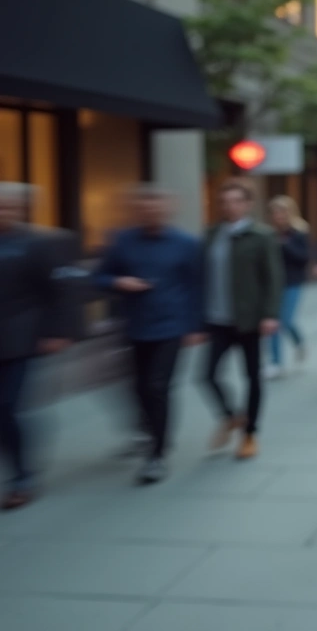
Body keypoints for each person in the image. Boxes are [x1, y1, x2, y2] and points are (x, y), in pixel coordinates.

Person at [93, 185, 205, 484]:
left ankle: (157, 453)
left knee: (157, 387)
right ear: (138, 210)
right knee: (139, 388)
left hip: (171, 326)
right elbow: (99, 276)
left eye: (157, 206)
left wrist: (196, 326)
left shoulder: (186, 243)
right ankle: (150, 431)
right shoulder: (122, 241)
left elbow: (197, 286)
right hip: (135, 326)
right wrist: (119, 282)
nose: (151, 211)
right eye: (145, 206)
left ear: (169, 209)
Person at [0, 182, 77, 509]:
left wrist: (57, 331)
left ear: (20, 210)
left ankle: (23, 474)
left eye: (9, 207)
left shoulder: (36, 245)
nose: (4, 213)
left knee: (7, 407)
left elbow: (59, 292)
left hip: (20, 340)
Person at [201, 180, 283, 460]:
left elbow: (273, 278)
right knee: (207, 375)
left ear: (247, 204)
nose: (230, 206)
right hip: (217, 318)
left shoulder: (261, 236)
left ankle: (250, 435)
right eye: (225, 201)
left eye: (236, 201)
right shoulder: (211, 235)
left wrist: (270, 314)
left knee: (252, 377)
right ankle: (231, 416)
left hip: (249, 319)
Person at [265, 195, 311, 379]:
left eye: (282, 211)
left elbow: (304, 258)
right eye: (275, 212)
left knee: (286, 321)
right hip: (272, 284)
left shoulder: (299, 233)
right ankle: (276, 362)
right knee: (273, 322)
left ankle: (299, 342)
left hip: (292, 282)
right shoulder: (267, 234)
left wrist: (285, 246)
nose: (278, 216)